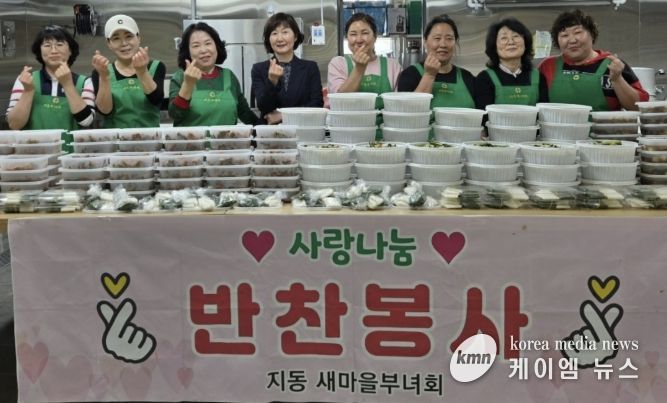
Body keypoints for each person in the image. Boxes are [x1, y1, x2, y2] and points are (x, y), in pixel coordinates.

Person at [538, 9, 648, 111]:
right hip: (557, 127)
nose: (572, 40)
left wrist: (617, 79)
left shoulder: (613, 65)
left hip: (604, 126)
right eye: (564, 35)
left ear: (592, 34)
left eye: (578, 32)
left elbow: (638, 107)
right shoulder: (547, 66)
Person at [6, 25, 95, 130]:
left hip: (70, 142)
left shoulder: (85, 82)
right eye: (47, 45)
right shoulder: (25, 80)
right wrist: (28, 91)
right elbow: (14, 125)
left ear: (70, 50)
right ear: (40, 51)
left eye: (59, 44)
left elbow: (86, 121)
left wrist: (68, 85)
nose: (53, 51)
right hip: (34, 141)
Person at [169, 22, 258, 126]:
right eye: (196, 46)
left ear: (216, 46)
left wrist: (265, 127)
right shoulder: (180, 76)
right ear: (187, 51)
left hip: (227, 137)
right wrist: (188, 85)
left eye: (208, 43)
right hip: (190, 137)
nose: (203, 50)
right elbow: (175, 114)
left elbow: (245, 113)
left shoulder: (228, 76)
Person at [91, 15, 166, 128]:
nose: (124, 43)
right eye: (116, 38)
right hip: (115, 138)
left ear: (138, 38)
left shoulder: (156, 67)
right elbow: (105, 111)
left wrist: (142, 72)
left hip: (150, 137)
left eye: (129, 36)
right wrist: (104, 77)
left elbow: (156, 100)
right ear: (109, 43)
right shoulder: (101, 71)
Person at [251, 12, 323, 124]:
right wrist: (272, 81)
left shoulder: (310, 68)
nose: (279, 38)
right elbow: (264, 107)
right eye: (274, 33)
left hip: (302, 130)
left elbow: (317, 105)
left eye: (285, 32)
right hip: (269, 132)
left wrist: (283, 116)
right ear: (269, 39)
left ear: (295, 36)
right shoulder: (258, 69)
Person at [398, 14, 476, 109]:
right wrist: (429, 75)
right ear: (425, 42)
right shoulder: (410, 74)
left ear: (455, 43)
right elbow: (408, 111)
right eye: (437, 38)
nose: (443, 44)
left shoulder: (467, 77)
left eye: (449, 39)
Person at [327, 12, 401, 110]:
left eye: (365, 33)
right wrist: (359, 68)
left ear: (375, 36)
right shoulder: (338, 64)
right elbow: (339, 103)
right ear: (347, 38)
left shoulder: (392, 65)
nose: (359, 40)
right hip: (348, 120)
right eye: (353, 34)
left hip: (383, 120)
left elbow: (399, 105)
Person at [475, 18, 548, 110]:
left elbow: (544, 113)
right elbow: (483, 114)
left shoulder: (538, 77)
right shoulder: (485, 78)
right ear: (494, 46)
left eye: (516, 36)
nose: (511, 42)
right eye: (504, 38)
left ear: (525, 43)